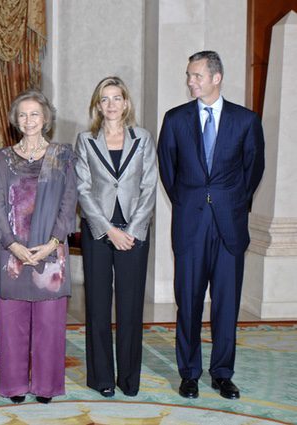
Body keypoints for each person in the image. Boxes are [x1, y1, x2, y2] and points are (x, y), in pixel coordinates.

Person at [158, 51, 265, 400]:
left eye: (197, 75)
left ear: (216, 77)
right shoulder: (174, 120)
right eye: (189, 75)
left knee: (226, 303)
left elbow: (253, 171)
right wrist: (191, 202)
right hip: (190, 224)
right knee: (187, 301)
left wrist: (229, 201)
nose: (190, 81)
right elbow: (168, 171)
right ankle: (189, 373)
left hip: (229, 226)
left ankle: (222, 373)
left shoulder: (246, 120)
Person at [0, 89, 77, 405]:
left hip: (51, 253)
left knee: (50, 324)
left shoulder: (62, 156)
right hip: (12, 252)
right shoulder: (2, 158)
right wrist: (12, 244)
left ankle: (46, 386)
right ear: (15, 119)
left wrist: (53, 242)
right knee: (12, 322)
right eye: (23, 115)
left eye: (35, 114)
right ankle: (13, 385)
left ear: (46, 118)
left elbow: (69, 203)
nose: (29, 120)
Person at [75, 76, 157, 397]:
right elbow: (82, 188)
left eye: (117, 98)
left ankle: (129, 380)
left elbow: (149, 186)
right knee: (97, 305)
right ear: (98, 105)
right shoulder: (85, 140)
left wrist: (131, 231)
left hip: (134, 232)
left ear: (126, 103)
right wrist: (109, 230)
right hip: (98, 231)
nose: (111, 104)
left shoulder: (143, 138)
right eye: (104, 99)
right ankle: (102, 379)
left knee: (130, 306)